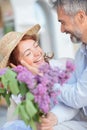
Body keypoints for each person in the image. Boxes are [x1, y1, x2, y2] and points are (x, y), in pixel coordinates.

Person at [0, 24, 78, 130]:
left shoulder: (65, 66)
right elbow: (21, 121)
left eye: (36, 46)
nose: (37, 53)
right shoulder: (20, 89)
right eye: (28, 53)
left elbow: (75, 101)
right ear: (16, 65)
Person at [39, 0, 87, 130]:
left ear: (81, 17)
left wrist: (44, 78)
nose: (61, 30)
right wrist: (55, 117)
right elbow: (72, 93)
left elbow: (78, 97)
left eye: (63, 22)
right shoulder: (81, 53)